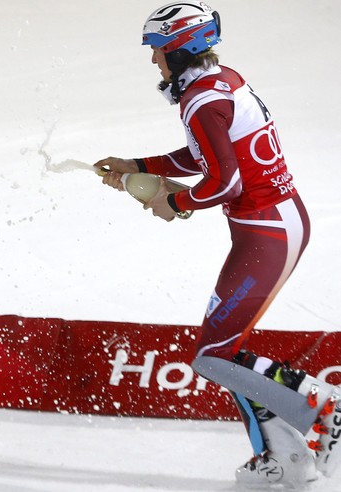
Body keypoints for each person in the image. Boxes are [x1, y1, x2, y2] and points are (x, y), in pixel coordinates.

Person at [94, 2, 340, 486]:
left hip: (269, 231)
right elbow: (208, 153)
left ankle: (326, 412)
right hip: (269, 228)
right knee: (220, 355)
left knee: (215, 356)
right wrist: (140, 166)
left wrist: (178, 204)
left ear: (180, 48)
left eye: (157, 50)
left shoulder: (203, 99)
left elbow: (223, 183)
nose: (153, 62)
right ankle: (283, 457)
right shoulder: (215, 82)